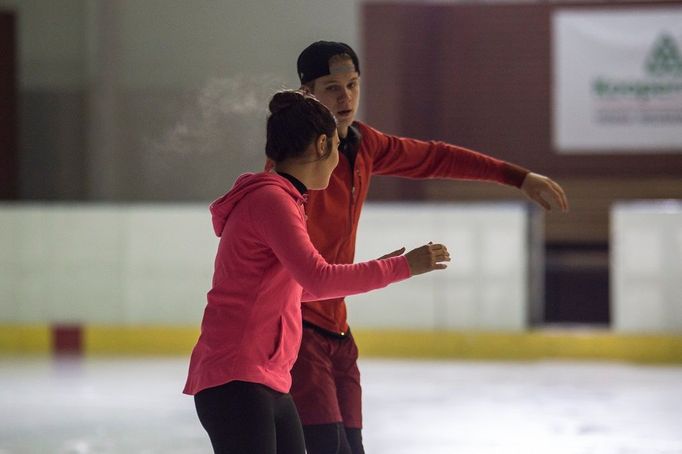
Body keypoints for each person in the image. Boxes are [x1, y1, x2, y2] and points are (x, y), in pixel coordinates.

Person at [288, 41, 570, 454]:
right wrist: (395, 269)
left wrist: (518, 177)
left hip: (338, 331)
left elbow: (436, 157)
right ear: (307, 93)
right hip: (298, 331)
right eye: (332, 87)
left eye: (352, 84)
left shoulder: (363, 145)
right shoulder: (294, 167)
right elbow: (296, 274)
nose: (346, 97)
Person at [183, 89, 451, 454]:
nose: (339, 159)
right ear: (323, 143)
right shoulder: (272, 200)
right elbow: (317, 277)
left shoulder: (284, 199)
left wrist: (384, 270)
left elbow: (296, 287)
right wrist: (401, 267)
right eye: (339, 146)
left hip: (266, 379)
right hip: (237, 377)